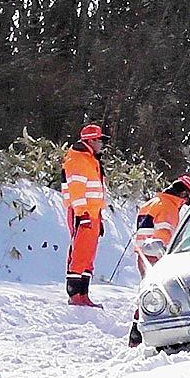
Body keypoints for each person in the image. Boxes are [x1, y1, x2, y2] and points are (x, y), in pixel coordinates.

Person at [128, 175, 190, 347]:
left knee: (148, 295)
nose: (184, 204)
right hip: (156, 259)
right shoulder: (169, 208)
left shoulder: (151, 203)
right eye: (187, 200)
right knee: (162, 298)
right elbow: (164, 239)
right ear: (183, 194)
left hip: (143, 256)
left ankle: (135, 337)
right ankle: (146, 336)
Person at [62, 123, 109, 307]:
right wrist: (82, 215)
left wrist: (98, 218)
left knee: (89, 256)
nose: (102, 144)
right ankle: (74, 295)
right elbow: (77, 190)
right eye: (100, 140)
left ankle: (84, 295)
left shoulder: (91, 159)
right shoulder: (78, 159)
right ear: (90, 141)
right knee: (79, 254)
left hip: (93, 214)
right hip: (83, 213)